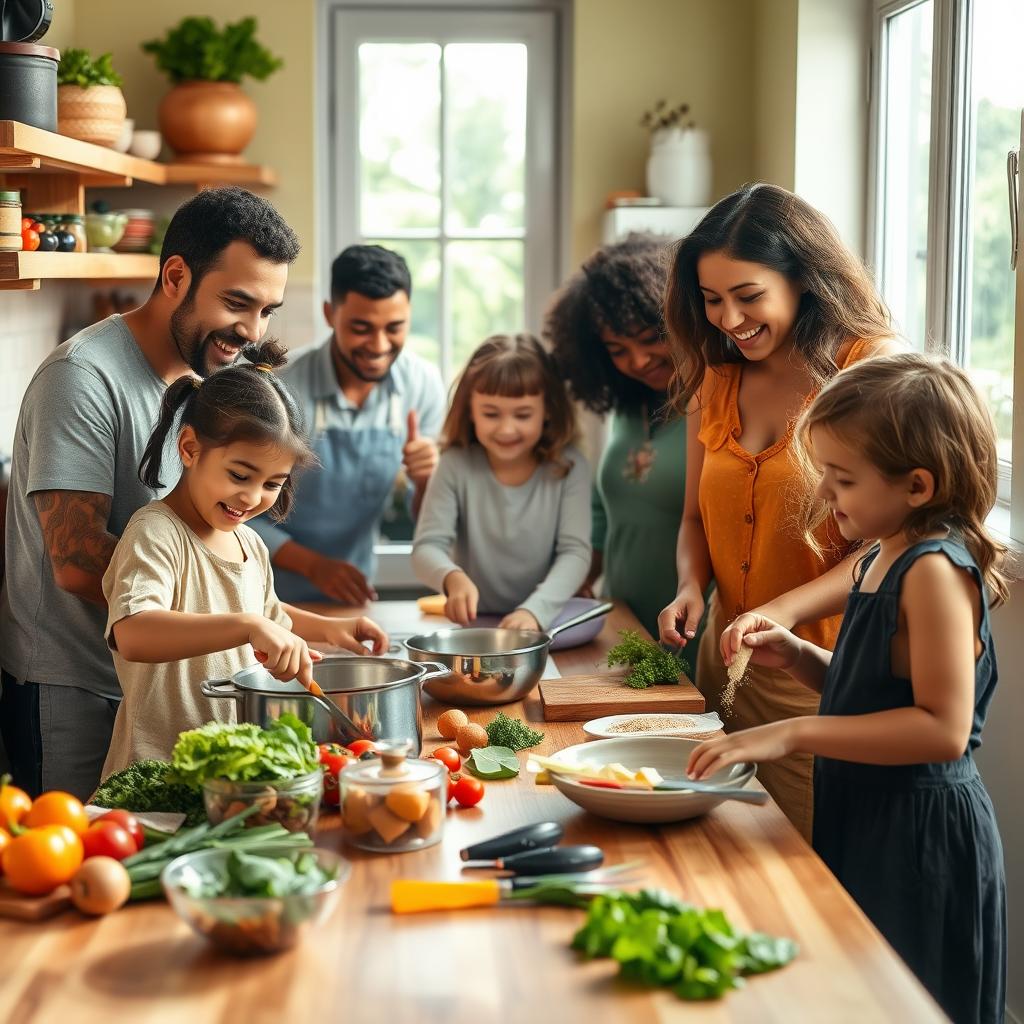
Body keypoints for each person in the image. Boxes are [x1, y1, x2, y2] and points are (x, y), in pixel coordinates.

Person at [687, 354, 1007, 1024]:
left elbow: (940, 730)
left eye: (843, 479)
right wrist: (801, 656)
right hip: (864, 814)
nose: (827, 495)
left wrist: (793, 730)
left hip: (920, 836)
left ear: (917, 485)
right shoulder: (881, 552)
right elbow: (876, 694)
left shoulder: (934, 572)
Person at [0, 186, 300, 800]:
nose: (251, 330)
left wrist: (304, 625)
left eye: (267, 310)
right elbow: (80, 566)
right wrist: (241, 624)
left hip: (154, 687)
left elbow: (201, 566)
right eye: (237, 303)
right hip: (72, 687)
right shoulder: (82, 379)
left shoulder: (202, 377)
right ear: (175, 275)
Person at [656, 183, 901, 839]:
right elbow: (692, 519)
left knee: (806, 867)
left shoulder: (868, 369)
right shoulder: (718, 377)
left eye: (747, 296)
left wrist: (783, 611)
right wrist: (689, 585)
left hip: (816, 673)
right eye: (711, 301)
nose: (728, 319)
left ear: (804, 279)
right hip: (722, 659)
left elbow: (889, 550)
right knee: (721, 848)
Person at [101, 340, 388, 777]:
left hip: (227, 774)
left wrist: (330, 627)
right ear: (190, 448)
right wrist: (249, 627)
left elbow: (264, 613)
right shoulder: (156, 532)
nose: (253, 497)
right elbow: (134, 632)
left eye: (273, 483)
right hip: (157, 772)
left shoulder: (249, 543)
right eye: (239, 475)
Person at [251, 245, 445, 605]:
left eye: (394, 327)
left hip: (353, 596)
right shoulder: (279, 388)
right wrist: (314, 566)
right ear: (330, 314)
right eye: (361, 328)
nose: (379, 345)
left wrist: (426, 480)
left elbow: (432, 520)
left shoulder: (422, 386)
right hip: (264, 594)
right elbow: (238, 510)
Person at [546, 233, 705, 668]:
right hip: (620, 623)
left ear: (679, 319)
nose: (637, 361)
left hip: (695, 627)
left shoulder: (717, 404)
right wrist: (577, 582)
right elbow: (603, 512)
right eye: (617, 349)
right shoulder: (625, 405)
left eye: (648, 338)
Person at [411, 334, 590, 630]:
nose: (507, 428)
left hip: (545, 619)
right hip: (475, 624)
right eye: (491, 414)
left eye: (523, 414)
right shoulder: (455, 464)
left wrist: (535, 612)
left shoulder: (570, 467)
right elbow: (426, 548)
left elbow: (575, 553)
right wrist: (451, 577)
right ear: (470, 410)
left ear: (548, 410)